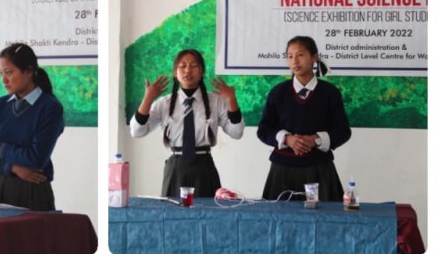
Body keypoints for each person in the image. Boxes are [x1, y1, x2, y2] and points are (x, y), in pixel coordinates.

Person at [130, 47, 243, 198]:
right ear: (175, 73)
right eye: (182, 66)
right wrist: (148, 99)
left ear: (202, 72)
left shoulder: (215, 101)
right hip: (175, 167)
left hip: (204, 167)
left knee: (207, 215)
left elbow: (236, 132)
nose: (188, 70)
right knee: (172, 217)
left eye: (194, 65)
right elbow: (137, 131)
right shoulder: (164, 103)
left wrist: (232, 101)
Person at [257, 36, 351, 202]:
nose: (295, 61)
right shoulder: (278, 93)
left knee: (322, 221)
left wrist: (316, 139)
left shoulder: (330, 93)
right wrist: (288, 139)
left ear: (314, 57)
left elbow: (343, 131)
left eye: (300, 55)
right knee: (281, 221)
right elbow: (264, 130)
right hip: (282, 170)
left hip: (319, 170)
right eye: (290, 56)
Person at [0, 42, 65, 210]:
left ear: (29, 71)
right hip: (1, 187)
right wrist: (13, 168)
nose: (4, 80)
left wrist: (1, 149)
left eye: (9, 73)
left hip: (33, 190)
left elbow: (36, 158)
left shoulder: (49, 107)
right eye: (1, 73)